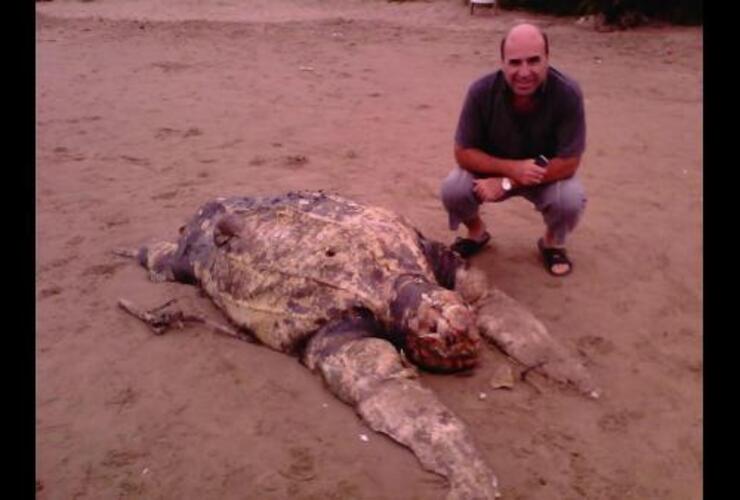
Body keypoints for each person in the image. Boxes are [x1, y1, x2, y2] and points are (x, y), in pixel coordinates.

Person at [440, 23, 587, 276]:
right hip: (494, 170)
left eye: (533, 61)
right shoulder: (480, 92)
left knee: (570, 198)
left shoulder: (567, 94)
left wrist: (509, 182)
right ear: (502, 63)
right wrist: (511, 169)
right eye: (515, 62)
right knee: (453, 188)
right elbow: (462, 151)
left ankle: (551, 242)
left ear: (547, 59)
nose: (524, 72)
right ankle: (476, 232)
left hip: (543, 174)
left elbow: (569, 161)